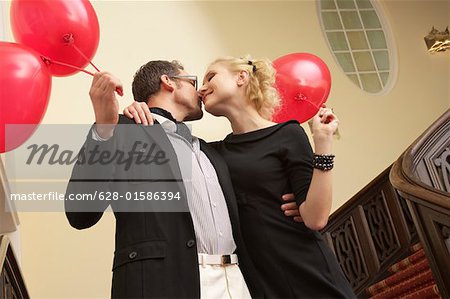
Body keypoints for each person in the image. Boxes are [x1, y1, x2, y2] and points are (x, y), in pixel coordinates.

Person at [124, 56, 356, 298]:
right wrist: (138, 113)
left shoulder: (289, 133)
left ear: (241, 77)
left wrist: (323, 142)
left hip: (306, 267)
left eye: (210, 77)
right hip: (257, 280)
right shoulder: (211, 154)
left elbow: (316, 219)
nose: (202, 88)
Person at [65, 60, 299, 298]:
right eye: (193, 82)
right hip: (164, 283)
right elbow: (80, 213)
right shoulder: (124, 129)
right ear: (168, 82)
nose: (200, 91)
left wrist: (301, 201)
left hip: (238, 281)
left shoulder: (212, 151)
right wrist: (104, 130)